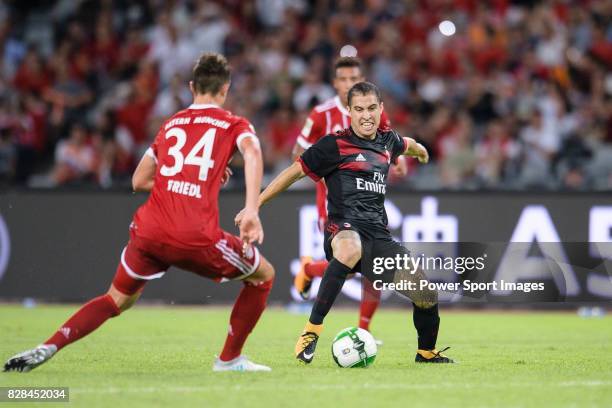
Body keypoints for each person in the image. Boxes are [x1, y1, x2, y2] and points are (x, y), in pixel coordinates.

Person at [4, 53, 275, 373]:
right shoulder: (233, 123)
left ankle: (49, 344)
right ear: (225, 89)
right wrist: (252, 209)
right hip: (193, 235)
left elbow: (139, 180)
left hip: (148, 231)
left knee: (115, 300)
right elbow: (254, 151)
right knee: (263, 276)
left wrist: (187, 177)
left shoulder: (170, 124)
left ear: (191, 87)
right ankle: (229, 360)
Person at [237, 81, 453, 364]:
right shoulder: (333, 144)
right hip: (342, 229)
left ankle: (426, 353)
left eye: (372, 108)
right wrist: (256, 204)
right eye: (360, 109)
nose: (367, 115)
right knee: (351, 249)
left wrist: (421, 151)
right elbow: (293, 172)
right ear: (349, 111)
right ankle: (311, 331)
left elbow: (407, 145)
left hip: (379, 237)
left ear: (381, 109)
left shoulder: (387, 141)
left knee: (425, 292)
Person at [291, 56, 407, 337]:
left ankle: (363, 330)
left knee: (373, 263)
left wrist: (399, 161)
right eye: (342, 79)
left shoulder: (373, 112)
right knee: (353, 262)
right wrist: (330, 173)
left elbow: (391, 144)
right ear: (334, 83)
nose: (348, 84)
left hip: (369, 200)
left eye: (353, 79)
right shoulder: (321, 114)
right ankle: (310, 270)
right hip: (335, 202)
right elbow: (298, 154)